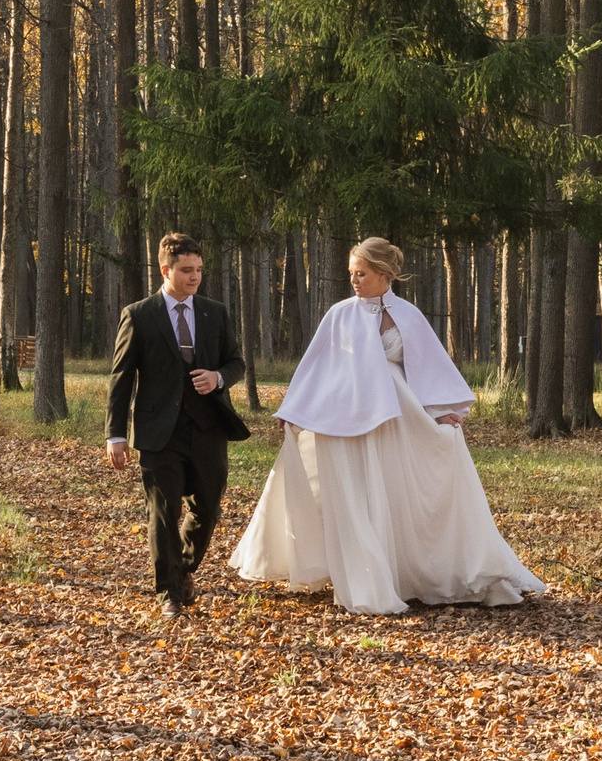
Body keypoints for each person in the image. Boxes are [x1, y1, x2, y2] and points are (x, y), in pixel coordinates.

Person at [230, 236, 543, 616]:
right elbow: (316, 368)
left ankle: (409, 572)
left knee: (395, 493)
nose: (354, 281)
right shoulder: (340, 315)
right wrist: (295, 409)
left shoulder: (409, 315)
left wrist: (439, 412)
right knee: (357, 495)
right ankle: (366, 576)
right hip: (347, 419)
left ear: (383, 274)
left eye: (361, 273)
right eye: (351, 274)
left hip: (399, 417)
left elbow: (426, 369)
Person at [107, 233, 252, 615]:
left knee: (208, 507)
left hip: (208, 427)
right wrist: (116, 434)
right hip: (159, 432)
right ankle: (169, 593)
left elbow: (236, 362)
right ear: (165, 270)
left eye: (199, 270)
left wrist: (218, 378)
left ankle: (183, 568)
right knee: (164, 511)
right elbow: (121, 378)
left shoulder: (214, 312)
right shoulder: (139, 315)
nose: (195, 277)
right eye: (187, 270)